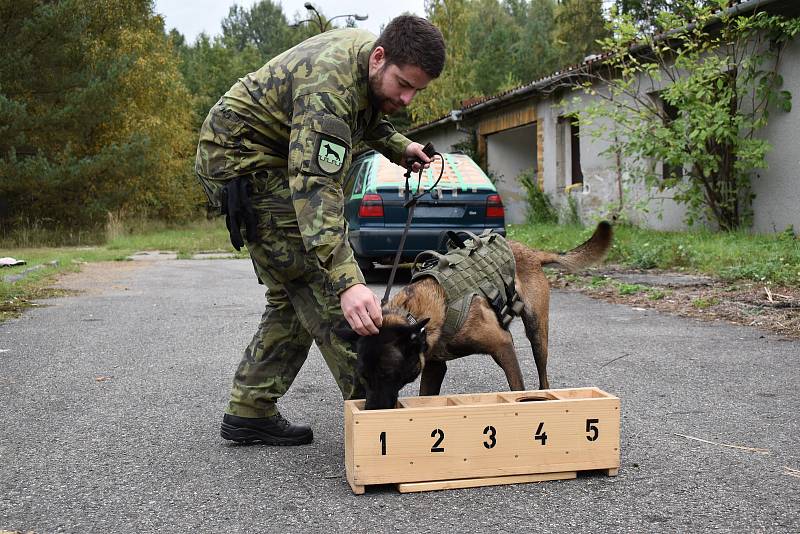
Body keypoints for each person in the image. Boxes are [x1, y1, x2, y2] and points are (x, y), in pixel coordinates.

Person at [194, 16, 446, 445]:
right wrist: (349, 282)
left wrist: (399, 146)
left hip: (267, 154)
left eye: (416, 90)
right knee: (322, 284)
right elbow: (315, 190)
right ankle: (377, 423)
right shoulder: (327, 89)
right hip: (243, 161)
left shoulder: (369, 65)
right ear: (379, 58)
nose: (407, 97)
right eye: (403, 84)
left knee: (291, 293)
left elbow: (366, 114)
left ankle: (250, 409)